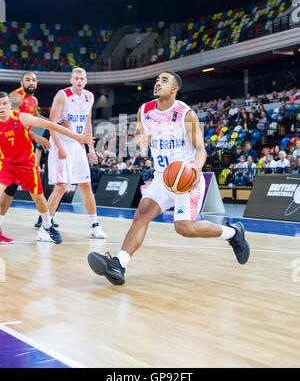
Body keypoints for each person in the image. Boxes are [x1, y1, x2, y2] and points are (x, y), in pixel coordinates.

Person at [87, 71, 250, 285]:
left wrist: (197, 169)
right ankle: (119, 263)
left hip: (185, 177)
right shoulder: (144, 111)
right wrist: (138, 141)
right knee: (142, 213)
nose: (158, 83)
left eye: (164, 81)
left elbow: (200, 148)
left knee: (184, 228)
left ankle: (232, 232)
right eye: (157, 80)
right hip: (162, 177)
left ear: (174, 89)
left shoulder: (185, 114)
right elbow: (140, 137)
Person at [0, 91, 92, 244]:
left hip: (26, 164)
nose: (1, 107)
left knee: (38, 198)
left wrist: (78, 137)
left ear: (10, 105)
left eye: (4, 103)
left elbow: (49, 124)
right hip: (7, 164)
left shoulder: (21, 118)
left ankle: (48, 226)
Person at [46, 67, 106, 240]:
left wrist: (91, 149)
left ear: (86, 81)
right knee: (61, 187)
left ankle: (94, 225)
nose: (79, 81)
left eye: (82, 79)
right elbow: (51, 124)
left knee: (86, 185)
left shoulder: (89, 96)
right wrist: (59, 147)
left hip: (78, 145)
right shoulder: (62, 95)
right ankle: (46, 226)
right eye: (76, 78)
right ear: (71, 80)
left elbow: (87, 122)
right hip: (62, 143)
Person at [0, 72, 52, 244]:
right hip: (10, 150)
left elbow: (35, 117)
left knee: (10, 192)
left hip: (23, 151)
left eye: (34, 80)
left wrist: (55, 123)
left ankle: (45, 225)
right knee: (7, 192)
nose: (31, 83)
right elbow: (13, 124)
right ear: (21, 82)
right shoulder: (15, 97)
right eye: (28, 80)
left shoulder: (34, 100)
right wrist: (36, 137)